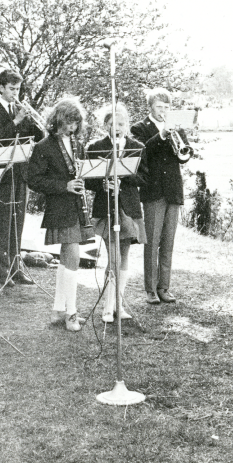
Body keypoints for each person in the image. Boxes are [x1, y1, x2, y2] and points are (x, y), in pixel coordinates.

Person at [28, 96, 93, 331]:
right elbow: (34, 180)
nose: (72, 128)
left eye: (76, 124)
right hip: (59, 207)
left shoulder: (78, 145)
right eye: (68, 123)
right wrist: (64, 186)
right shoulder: (43, 146)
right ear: (57, 120)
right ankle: (71, 314)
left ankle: (58, 310)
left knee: (68, 259)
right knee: (73, 257)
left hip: (76, 207)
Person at [0, 69, 42, 287]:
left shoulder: (19, 109)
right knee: (4, 223)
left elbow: (38, 137)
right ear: (1, 88)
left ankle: (17, 268)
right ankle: (3, 271)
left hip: (21, 172)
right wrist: (15, 120)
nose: (16, 93)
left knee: (19, 222)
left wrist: (33, 121)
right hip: (4, 174)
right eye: (12, 89)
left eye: (18, 89)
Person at [86, 104, 147, 323]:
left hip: (128, 208)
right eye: (112, 125)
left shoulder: (137, 147)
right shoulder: (95, 146)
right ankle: (107, 307)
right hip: (106, 209)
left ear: (127, 125)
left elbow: (143, 178)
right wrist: (103, 183)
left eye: (121, 124)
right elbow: (88, 180)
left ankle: (118, 306)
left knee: (124, 256)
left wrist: (123, 177)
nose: (117, 128)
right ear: (105, 126)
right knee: (113, 257)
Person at [131, 87, 191, 305]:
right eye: (159, 107)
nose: (163, 111)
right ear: (150, 107)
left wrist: (177, 139)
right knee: (152, 241)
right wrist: (162, 134)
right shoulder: (139, 128)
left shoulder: (176, 127)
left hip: (173, 190)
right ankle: (150, 289)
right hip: (154, 190)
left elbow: (184, 155)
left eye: (167, 107)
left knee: (168, 242)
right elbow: (141, 152)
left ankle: (164, 287)